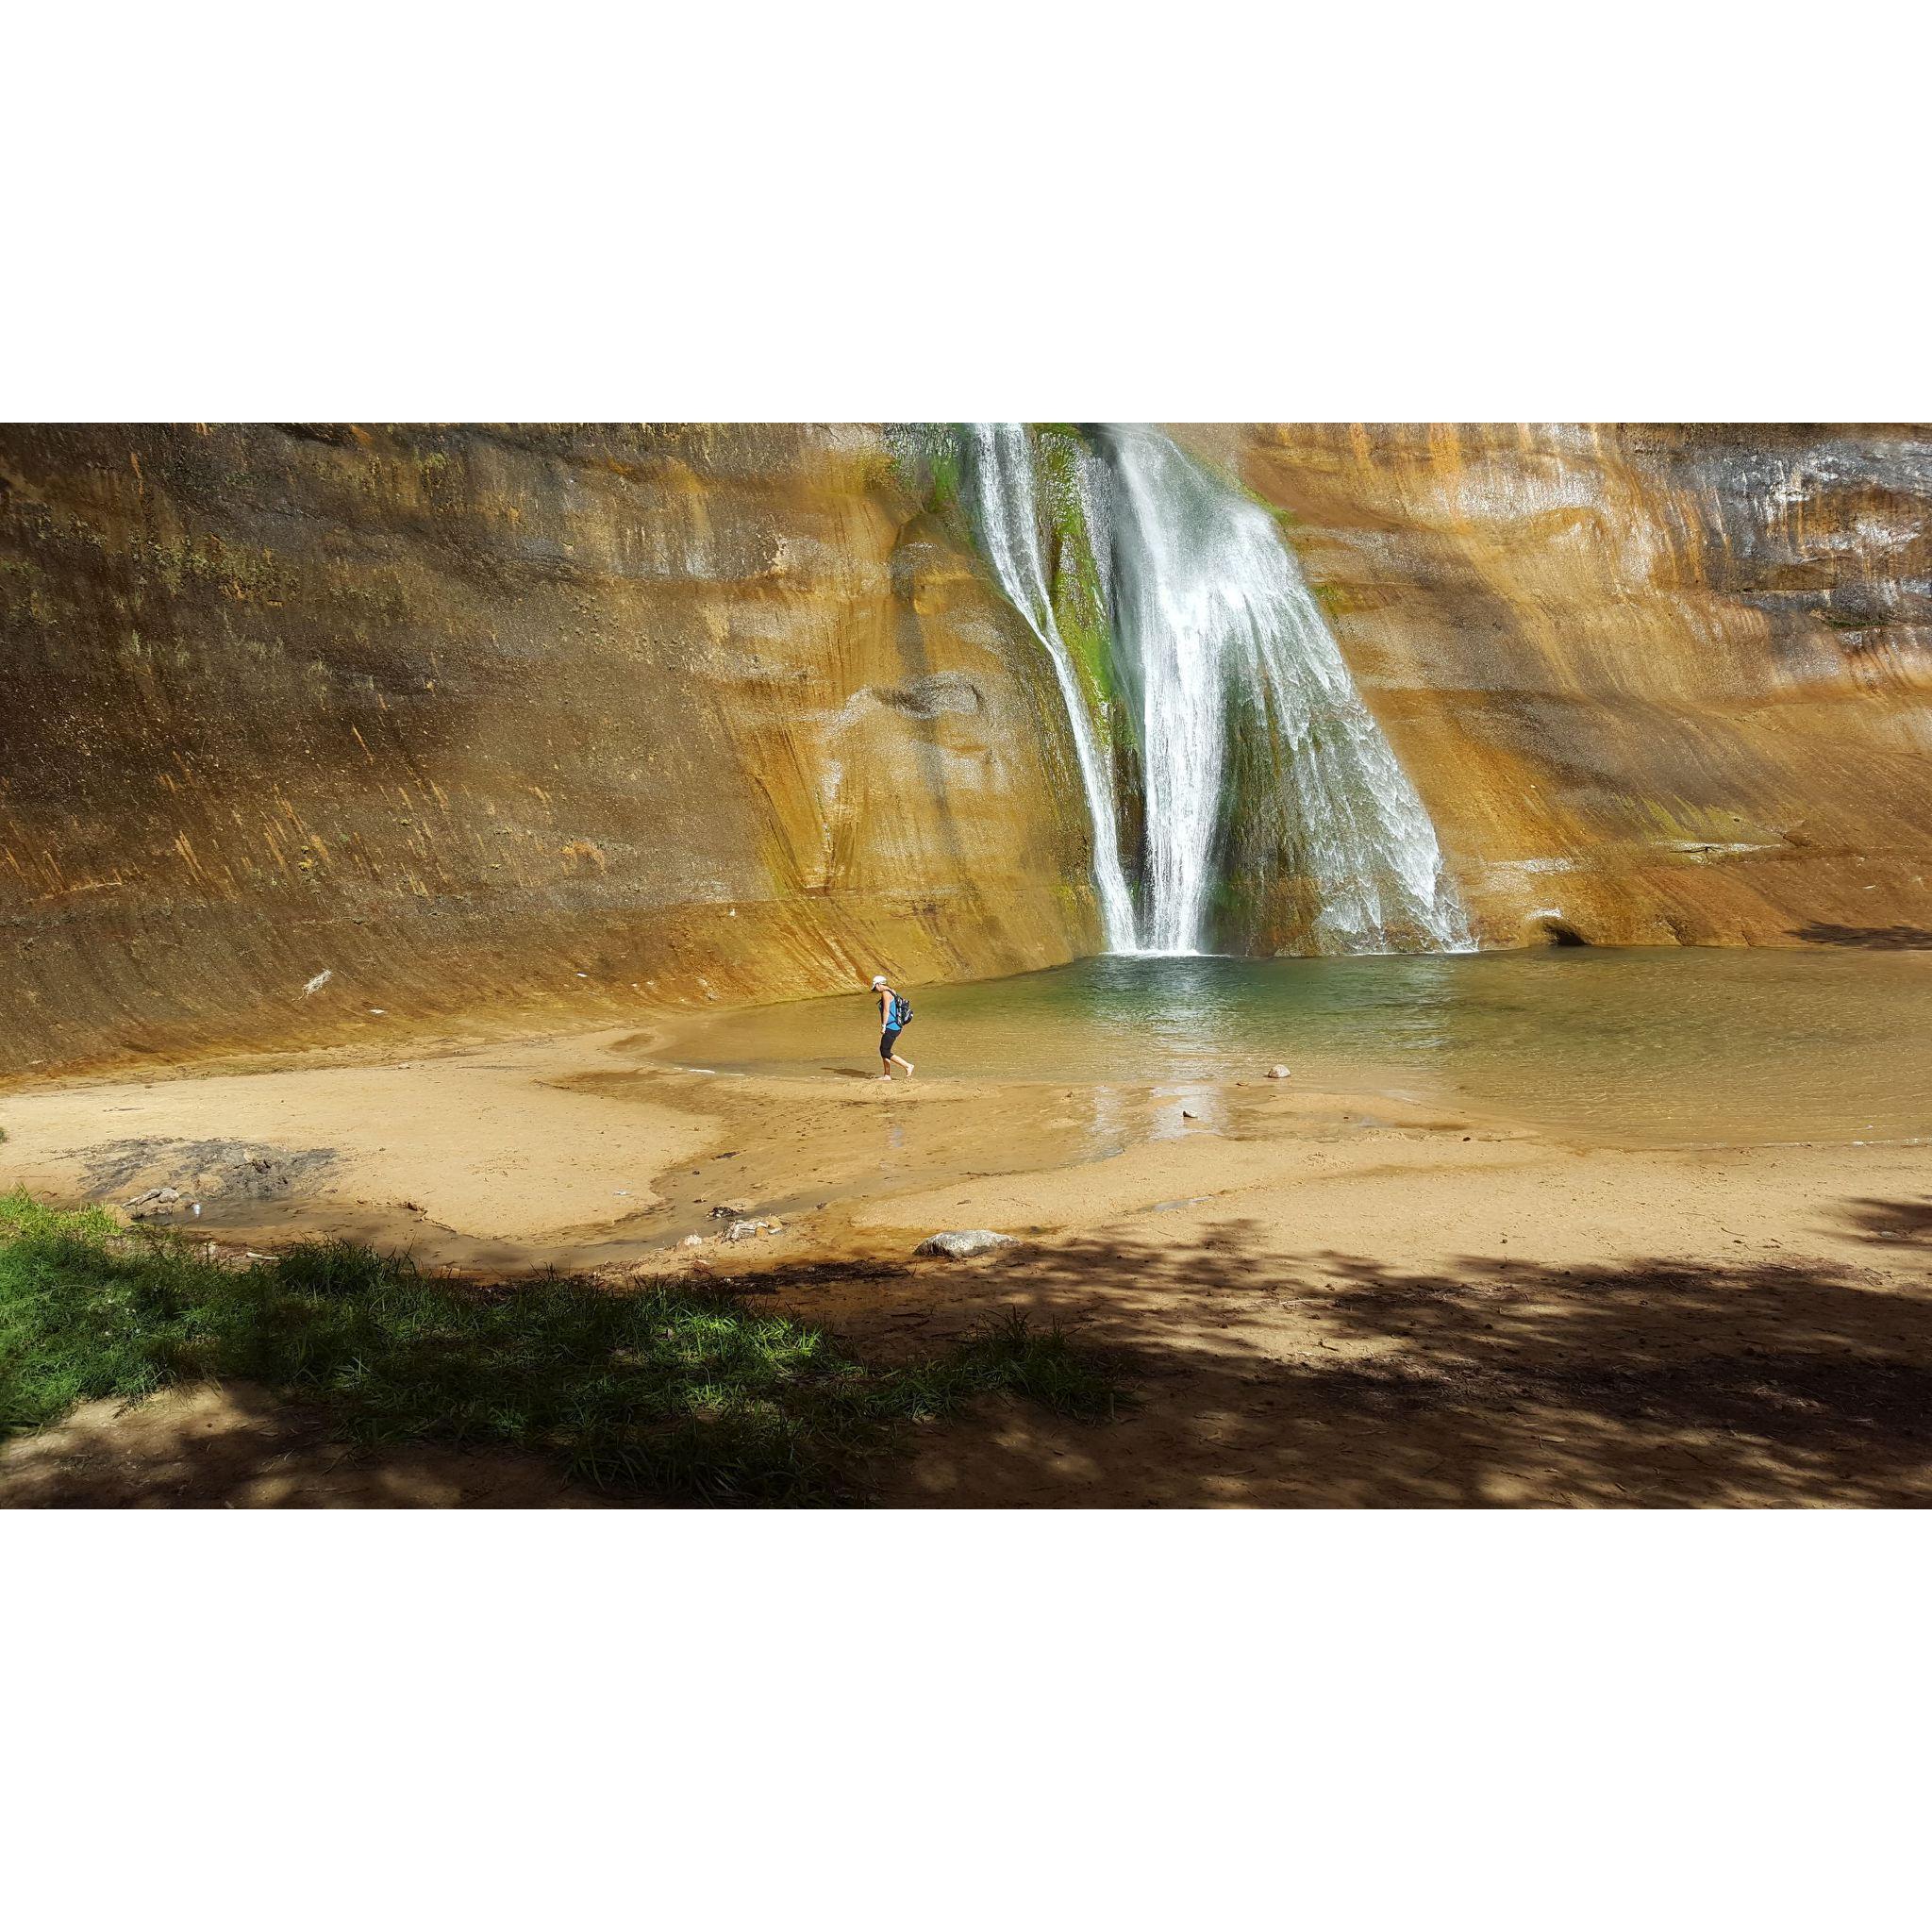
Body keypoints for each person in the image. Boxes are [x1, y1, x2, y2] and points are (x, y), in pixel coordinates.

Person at [870, 973, 915, 1081]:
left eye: (875, 987)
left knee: (884, 1051)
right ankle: (887, 1075)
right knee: (885, 1049)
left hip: (892, 1026)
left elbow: (886, 1010)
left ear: (878, 984)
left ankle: (908, 1066)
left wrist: (883, 1026)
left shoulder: (885, 993)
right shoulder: (892, 991)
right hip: (896, 1025)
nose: (876, 989)